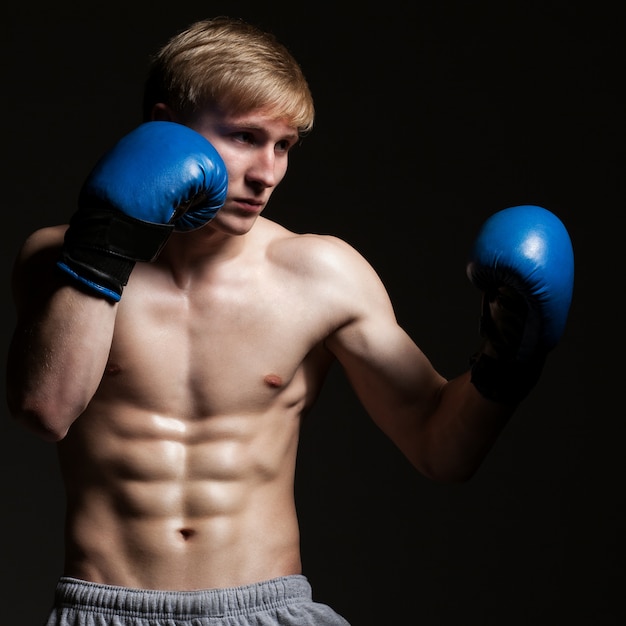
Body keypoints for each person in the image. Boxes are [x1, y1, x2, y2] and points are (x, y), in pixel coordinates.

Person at [6, 16, 574, 626]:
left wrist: (506, 361)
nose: (268, 173)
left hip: (266, 610)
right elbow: (47, 409)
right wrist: (103, 247)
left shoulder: (320, 275)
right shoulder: (55, 255)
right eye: (246, 138)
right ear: (164, 130)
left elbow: (440, 448)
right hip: (104, 610)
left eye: (284, 146)